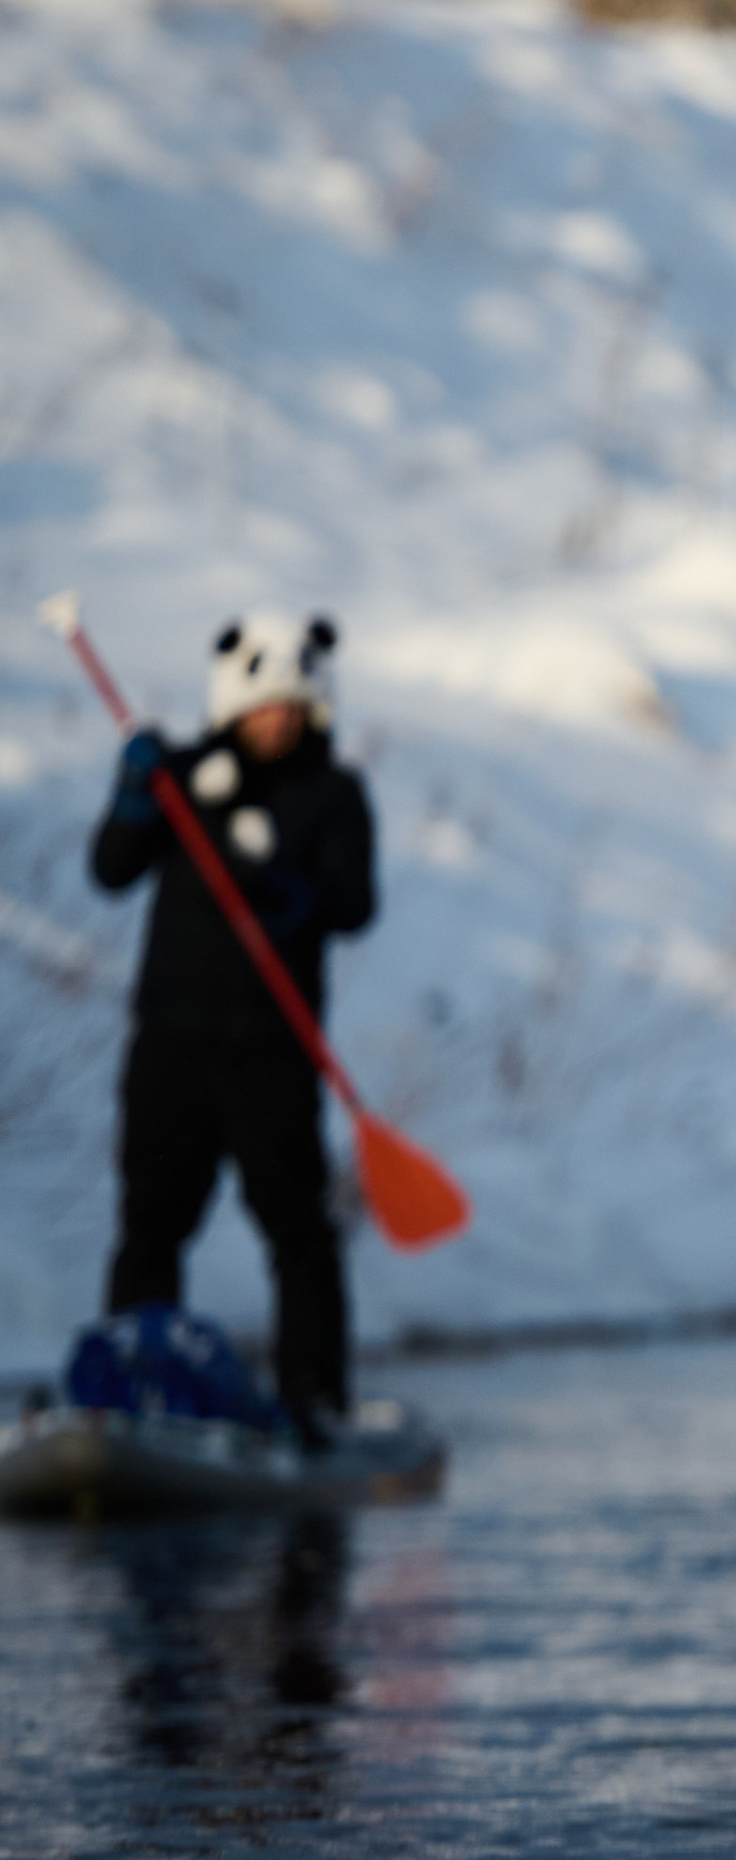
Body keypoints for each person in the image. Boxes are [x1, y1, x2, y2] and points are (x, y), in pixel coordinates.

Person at [88, 611, 375, 1438]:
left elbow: (356, 904)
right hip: (170, 1047)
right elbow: (110, 871)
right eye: (263, 706)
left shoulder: (333, 793)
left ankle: (314, 1398)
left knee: (298, 1233)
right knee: (149, 1226)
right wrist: (132, 798)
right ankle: (133, 1390)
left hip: (272, 1051)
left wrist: (298, 897)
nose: (276, 720)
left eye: (291, 707)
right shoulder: (179, 779)